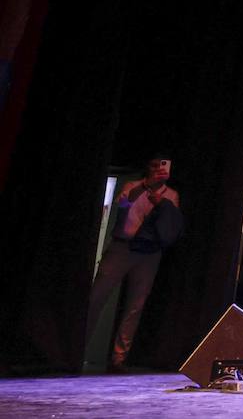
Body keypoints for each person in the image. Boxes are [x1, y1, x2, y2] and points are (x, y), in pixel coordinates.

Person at [87, 155, 183, 371]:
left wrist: (162, 204)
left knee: (135, 306)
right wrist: (146, 187)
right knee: (96, 297)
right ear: (147, 167)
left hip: (149, 253)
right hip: (123, 247)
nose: (158, 169)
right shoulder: (132, 185)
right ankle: (77, 348)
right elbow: (122, 205)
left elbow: (170, 224)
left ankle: (118, 359)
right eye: (154, 165)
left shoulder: (171, 195)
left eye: (162, 166)